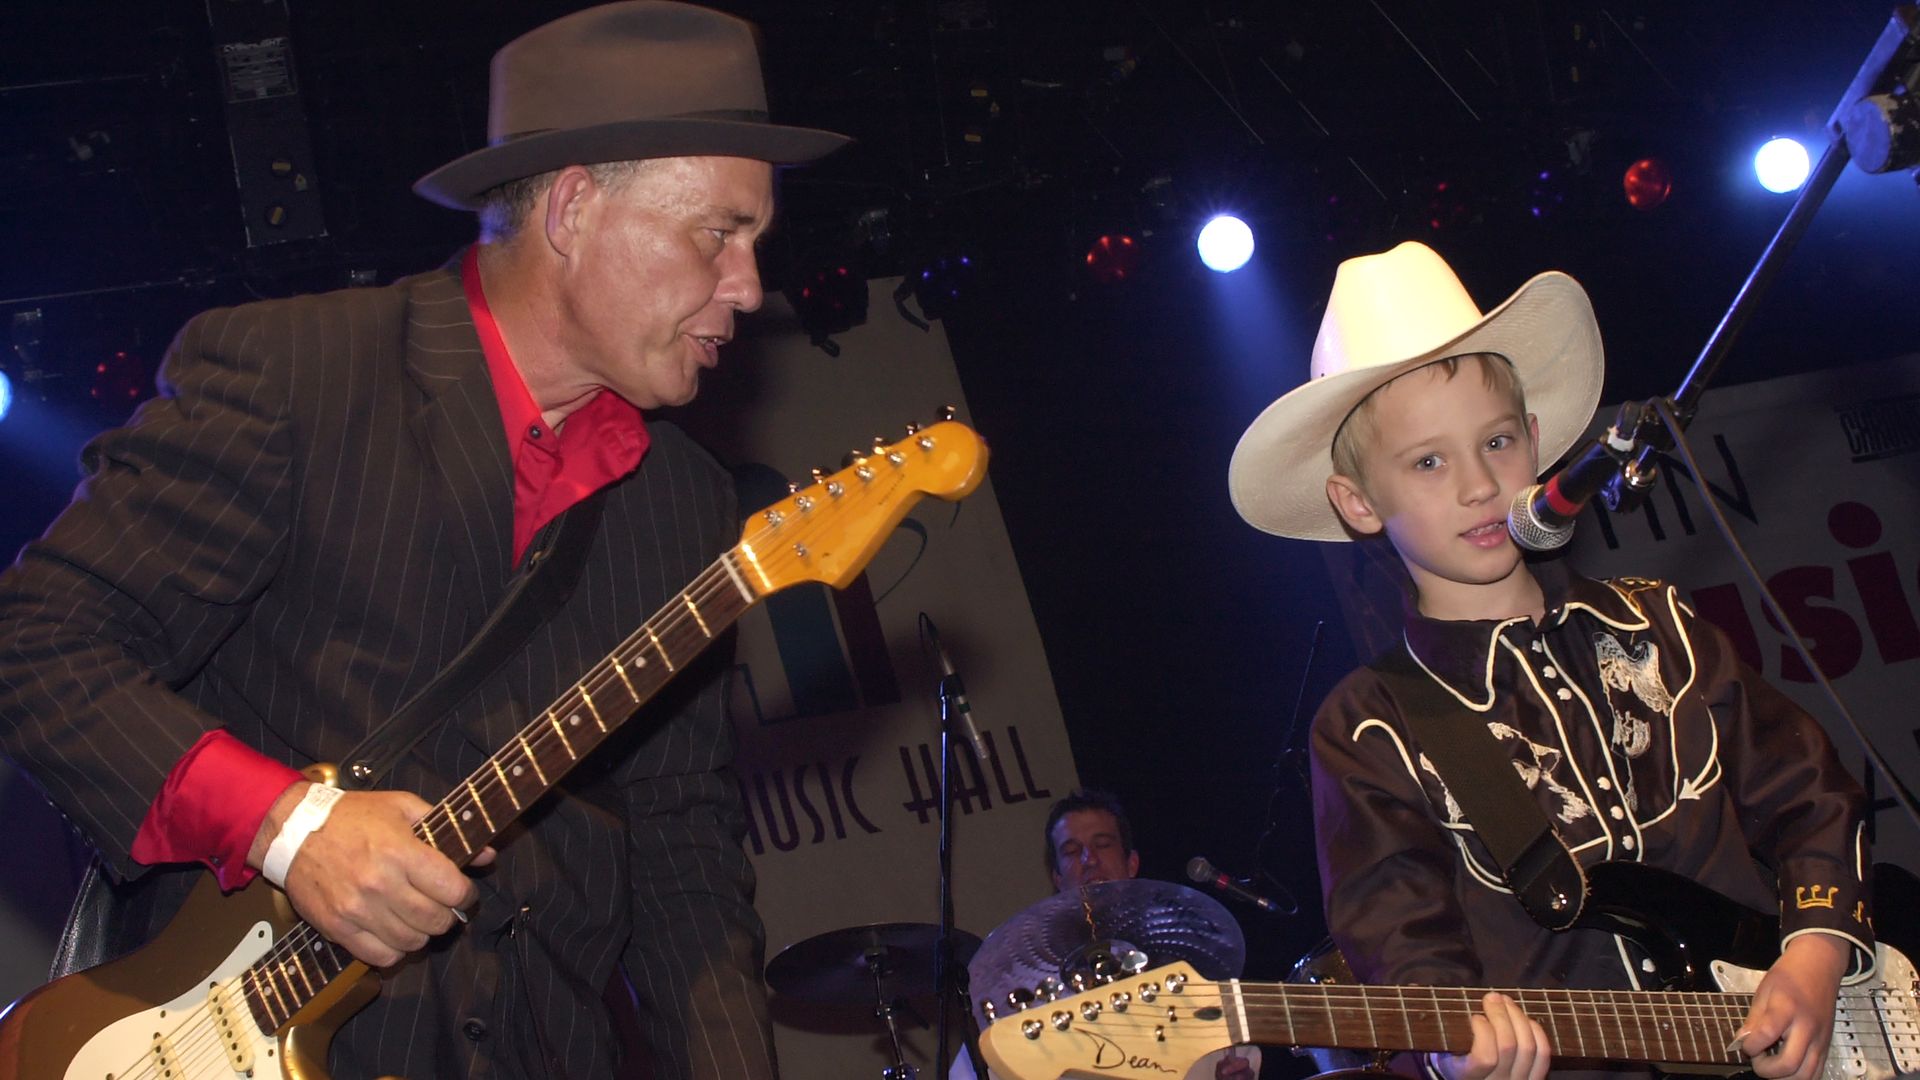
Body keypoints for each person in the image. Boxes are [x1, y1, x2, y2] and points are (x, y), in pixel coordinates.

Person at [0, 4, 848, 1077]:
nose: (748, 285)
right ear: (577, 207)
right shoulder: (299, 377)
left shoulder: (683, 503)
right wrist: (291, 829)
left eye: (755, 242)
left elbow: (684, 850)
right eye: (717, 233)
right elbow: (38, 644)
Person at [1226, 241, 1872, 1080]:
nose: (1477, 486)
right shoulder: (1368, 727)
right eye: (1428, 461)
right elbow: (1404, 940)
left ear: (1535, 440)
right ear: (1356, 502)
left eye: (1496, 443)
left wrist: (1815, 956)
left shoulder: (1660, 625)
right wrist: (1454, 1052)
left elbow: (1810, 793)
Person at [958, 790, 1262, 1080]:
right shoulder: (1019, 985)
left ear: (1132, 864)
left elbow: (1230, 1058)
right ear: (1057, 878)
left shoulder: (1185, 962)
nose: (1089, 859)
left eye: (1102, 844)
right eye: (1072, 851)